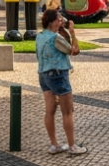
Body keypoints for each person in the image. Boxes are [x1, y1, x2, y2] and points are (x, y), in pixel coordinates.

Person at [36, 9, 87, 155]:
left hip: (43, 75)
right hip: (58, 75)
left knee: (49, 112)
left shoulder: (40, 37)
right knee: (68, 111)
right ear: (52, 22)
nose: (61, 21)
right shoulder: (55, 38)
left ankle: (54, 145)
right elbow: (75, 50)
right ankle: (72, 146)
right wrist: (72, 32)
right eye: (59, 19)